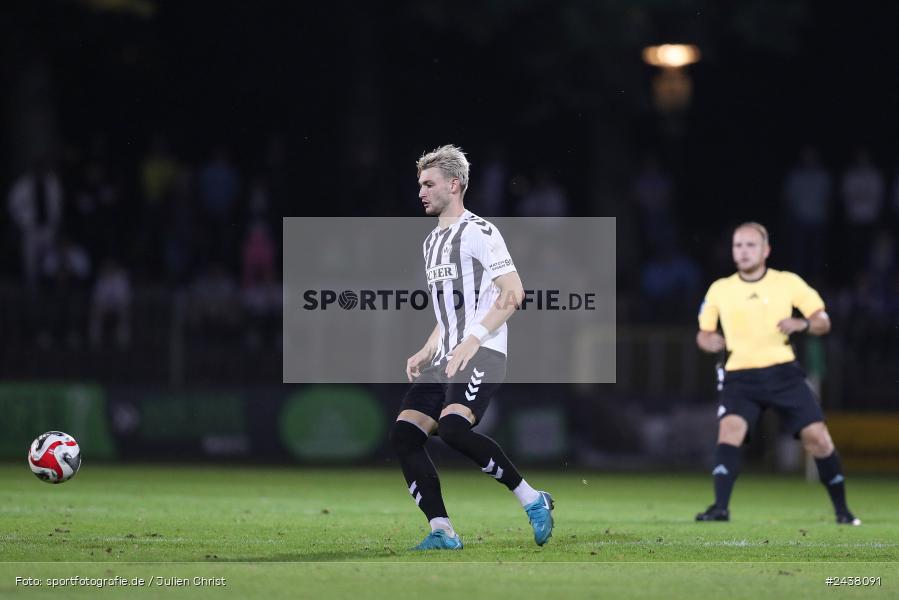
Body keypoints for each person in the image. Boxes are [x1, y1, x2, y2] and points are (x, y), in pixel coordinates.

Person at [390, 145, 554, 550]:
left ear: (454, 184)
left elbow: (513, 293)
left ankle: (533, 500)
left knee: (453, 430)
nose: (421, 192)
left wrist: (474, 339)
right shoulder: (431, 243)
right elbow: (451, 311)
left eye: (429, 184)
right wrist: (429, 347)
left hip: (482, 350)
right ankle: (442, 531)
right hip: (448, 354)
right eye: (420, 185)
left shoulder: (480, 233)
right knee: (405, 435)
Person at [694, 222, 860, 525]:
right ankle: (720, 508)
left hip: (782, 373)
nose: (742, 252)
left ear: (766, 250)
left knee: (818, 438)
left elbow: (823, 320)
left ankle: (843, 511)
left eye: (750, 245)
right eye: (737, 245)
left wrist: (804, 324)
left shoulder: (787, 283)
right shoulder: (721, 289)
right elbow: (703, 334)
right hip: (740, 375)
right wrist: (710, 341)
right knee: (730, 430)